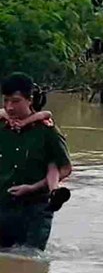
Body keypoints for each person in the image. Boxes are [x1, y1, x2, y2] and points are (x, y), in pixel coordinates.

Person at [0, 73, 72, 250]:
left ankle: (55, 192)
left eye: (15, 101)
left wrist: (33, 188)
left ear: (29, 100)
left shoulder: (47, 131)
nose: (10, 107)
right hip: (3, 207)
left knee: (31, 261)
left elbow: (65, 168)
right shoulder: (2, 126)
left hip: (35, 211)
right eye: (6, 100)